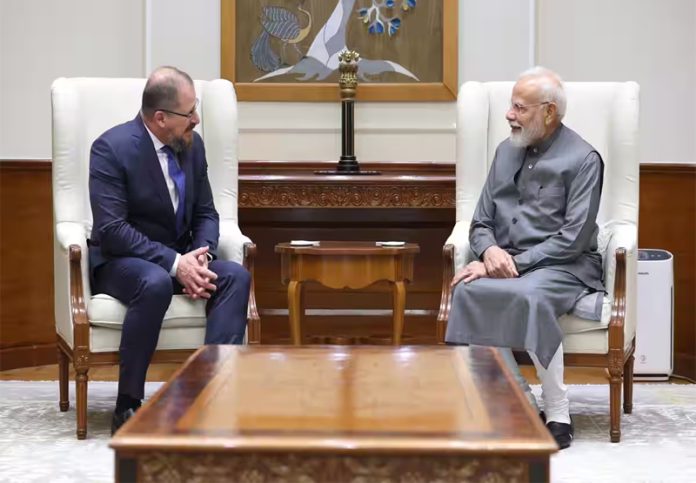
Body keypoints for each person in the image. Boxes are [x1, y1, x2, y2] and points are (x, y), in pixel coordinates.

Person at [446, 67, 604, 449]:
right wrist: (490, 252)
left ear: (549, 112)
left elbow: (573, 239)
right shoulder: (505, 152)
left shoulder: (584, 159)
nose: (509, 115)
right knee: (466, 291)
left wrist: (509, 264)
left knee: (529, 295)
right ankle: (518, 400)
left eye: (519, 108)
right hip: (507, 260)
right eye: (510, 106)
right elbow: (481, 222)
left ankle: (558, 410)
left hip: (564, 265)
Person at [89, 66, 251, 434]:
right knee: (155, 282)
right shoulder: (111, 148)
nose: (196, 119)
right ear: (160, 118)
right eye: (189, 112)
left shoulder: (193, 145)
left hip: (181, 257)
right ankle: (127, 405)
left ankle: (211, 397)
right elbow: (113, 230)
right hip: (123, 262)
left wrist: (201, 256)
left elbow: (206, 212)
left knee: (235, 277)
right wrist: (176, 264)